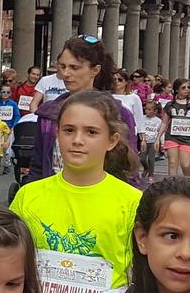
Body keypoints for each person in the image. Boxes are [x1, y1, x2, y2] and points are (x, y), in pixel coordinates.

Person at [9, 91, 143, 293]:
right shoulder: (29, 196)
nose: (77, 140)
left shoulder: (132, 203)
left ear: (111, 141)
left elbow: (142, 278)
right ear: (57, 134)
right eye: (69, 130)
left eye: (91, 132)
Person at [30, 36, 141, 184]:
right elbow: (38, 164)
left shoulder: (118, 112)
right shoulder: (48, 113)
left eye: (74, 67)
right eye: (62, 66)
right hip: (54, 196)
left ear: (95, 70)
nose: (66, 73)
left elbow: (128, 169)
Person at [159, 78, 190, 179]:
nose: (187, 89)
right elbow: (164, 122)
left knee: (186, 164)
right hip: (172, 137)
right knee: (172, 162)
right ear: (177, 90)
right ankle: (172, 184)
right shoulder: (170, 105)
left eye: (188, 87)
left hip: (187, 138)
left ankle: (188, 179)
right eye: (183, 88)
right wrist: (158, 138)